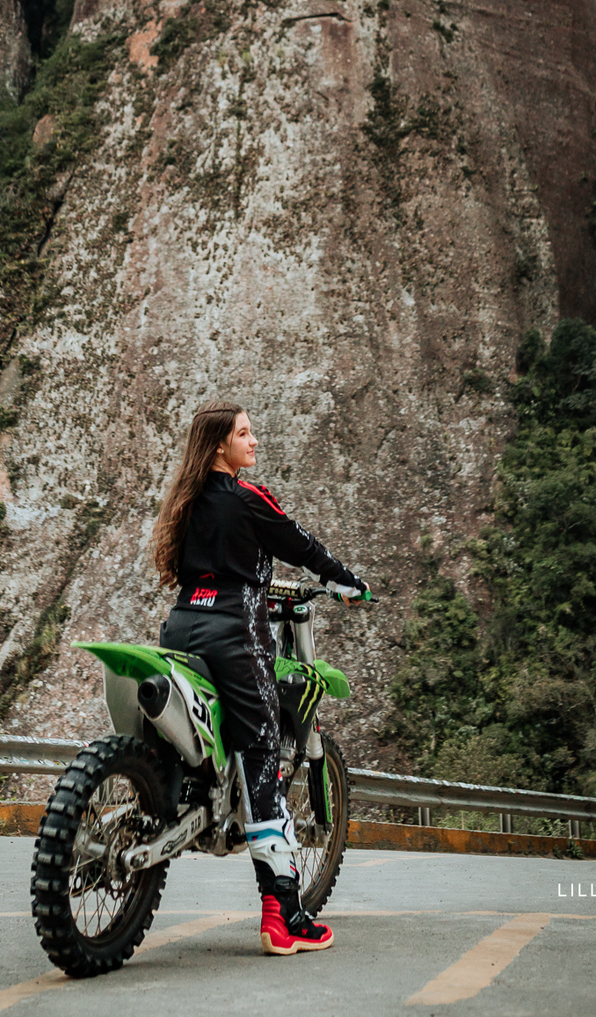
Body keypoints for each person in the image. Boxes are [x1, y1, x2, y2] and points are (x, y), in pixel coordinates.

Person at [150, 398, 368, 956]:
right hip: (234, 634)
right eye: (244, 434)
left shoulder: (185, 501)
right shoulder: (249, 500)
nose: (253, 441)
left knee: (203, 742)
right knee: (261, 754)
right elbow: (301, 546)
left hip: (180, 628)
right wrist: (347, 583)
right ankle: (285, 916)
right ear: (221, 445)